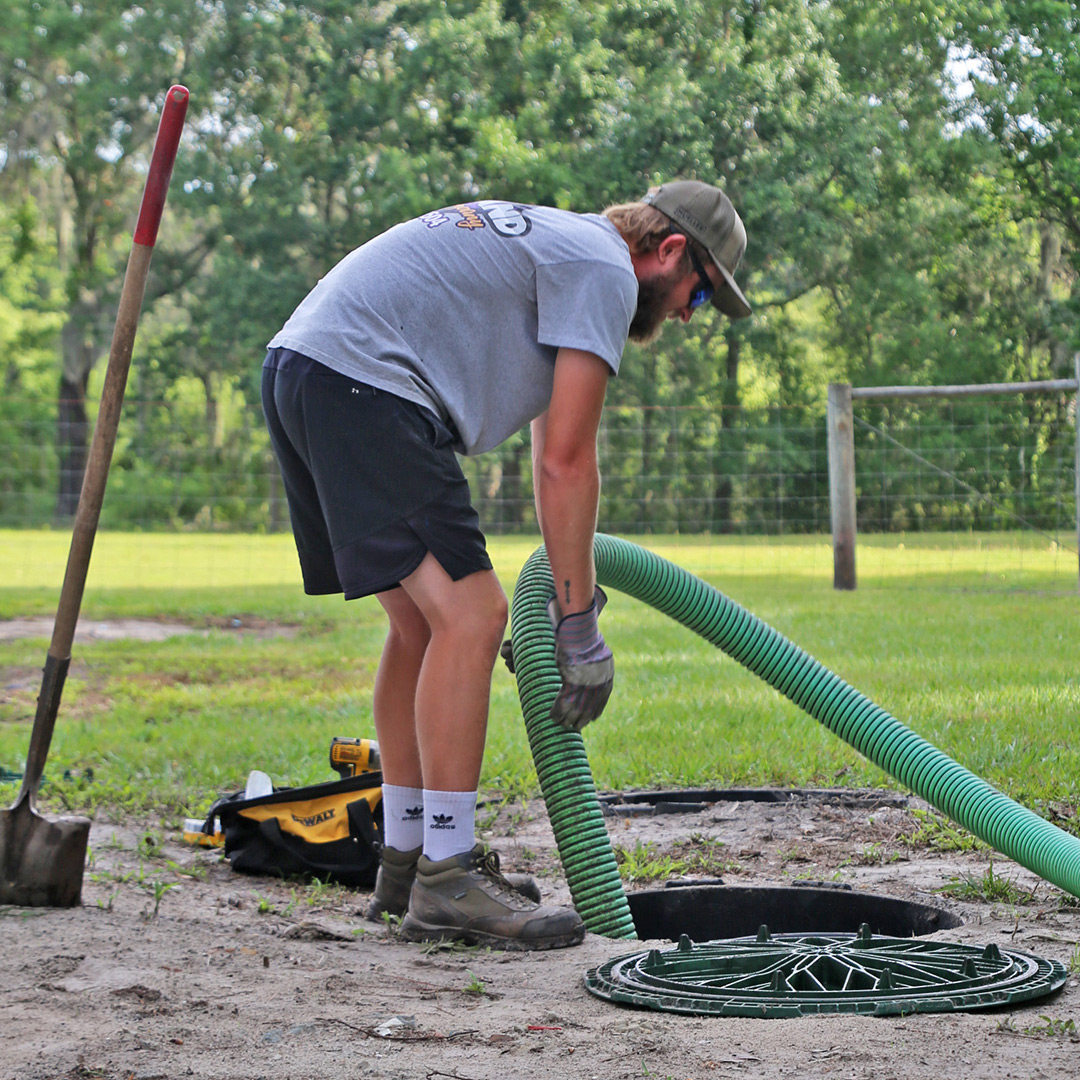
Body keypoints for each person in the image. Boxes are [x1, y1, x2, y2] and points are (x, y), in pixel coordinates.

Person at [261, 180, 752, 950]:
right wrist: (580, 623)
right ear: (669, 251)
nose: (689, 317)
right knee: (475, 616)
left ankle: (409, 853)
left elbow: (546, 452)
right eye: (698, 295)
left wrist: (564, 601)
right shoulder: (604, 270)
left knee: (423, 627)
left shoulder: (558, 244)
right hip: (364, 382)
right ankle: (448, 877)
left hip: (303, 367)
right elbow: (567, 464)